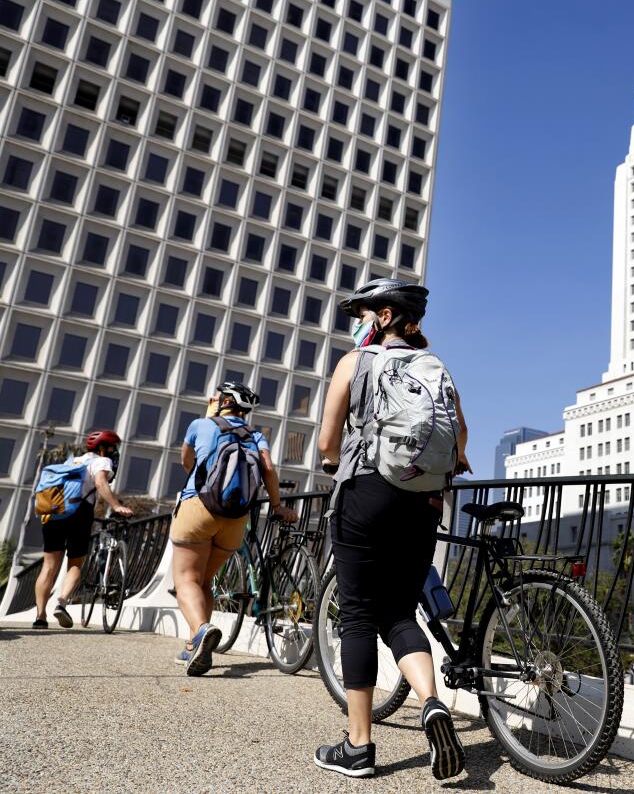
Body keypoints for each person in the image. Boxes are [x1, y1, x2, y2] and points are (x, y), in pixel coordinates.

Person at [313, 280, 471, 780]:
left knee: (358, 615)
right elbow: (461, 434)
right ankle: (431, 704)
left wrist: (333, 462)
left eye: (360, 315)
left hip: (368, 493)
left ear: (382, 317)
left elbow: (326, 441)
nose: (356, 323)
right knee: (401, 612)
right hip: (423, 500)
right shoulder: (436, 367)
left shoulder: (355, 363)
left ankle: (359, 747)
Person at [170, 381, 297, 676]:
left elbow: (186, 461)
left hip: (198, 508)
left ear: (223, 401)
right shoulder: (255, 434)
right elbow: (267, 468)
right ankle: (194, 646)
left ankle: (201, 629)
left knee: (186, 580)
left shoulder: (201, 424)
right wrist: (277, 506)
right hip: (236, 518)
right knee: (205, 581)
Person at [33, 430, 133, 629]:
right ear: (104, 448)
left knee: (48, 566)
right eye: (113, 448)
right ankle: (61, 602)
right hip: (79, 513)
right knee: (75, 564)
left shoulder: (72, 461)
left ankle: (40, 616)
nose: (114, 452)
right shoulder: (101, 462)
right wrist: (116, 506)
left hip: (54, 513)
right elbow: (101, 483)